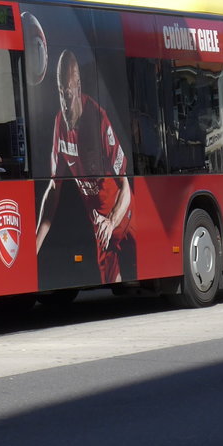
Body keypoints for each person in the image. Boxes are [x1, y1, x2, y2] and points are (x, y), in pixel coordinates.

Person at [35, 49, 132, 283]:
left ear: (78, 87)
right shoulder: (59, 124)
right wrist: (34, 246)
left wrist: (112, 220)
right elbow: (53, 190)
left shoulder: (98, 119)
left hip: (124, 218)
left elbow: (126, 187)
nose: (65, 104)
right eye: (61, 94)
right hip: (102, 229)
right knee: (113, 282)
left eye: (68, 94)